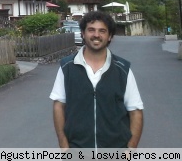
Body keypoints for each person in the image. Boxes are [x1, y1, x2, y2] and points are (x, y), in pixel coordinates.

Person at [49, 11, 143, 149]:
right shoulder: (67, 67)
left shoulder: (123, 70)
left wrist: (130, 149)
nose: (96, 35)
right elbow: (58, 105)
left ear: (110, 36)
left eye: (102, 31)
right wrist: (63, 145)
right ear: (83, 33)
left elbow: (135, 111)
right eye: (91, 30)